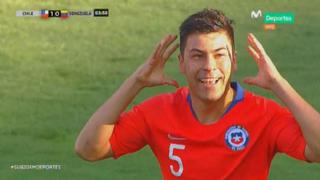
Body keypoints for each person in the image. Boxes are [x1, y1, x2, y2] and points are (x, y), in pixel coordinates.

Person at [75, 8, 320, 179]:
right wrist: (136, 81)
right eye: (197, 56)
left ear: (233, 61)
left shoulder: (264, 115)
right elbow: (88, 149)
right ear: (181, 63)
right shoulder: (158, 112)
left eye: (219, 54)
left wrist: (278, 83)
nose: (209, 66)